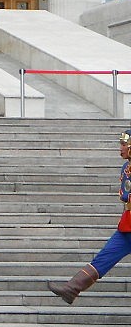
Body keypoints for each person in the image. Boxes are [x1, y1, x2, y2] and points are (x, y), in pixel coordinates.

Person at [48, 127, 131, 304]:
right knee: (104, 257)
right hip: (128, 224)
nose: (121, 148)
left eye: (124, 144)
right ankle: (72, 288)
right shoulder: (126, 168)